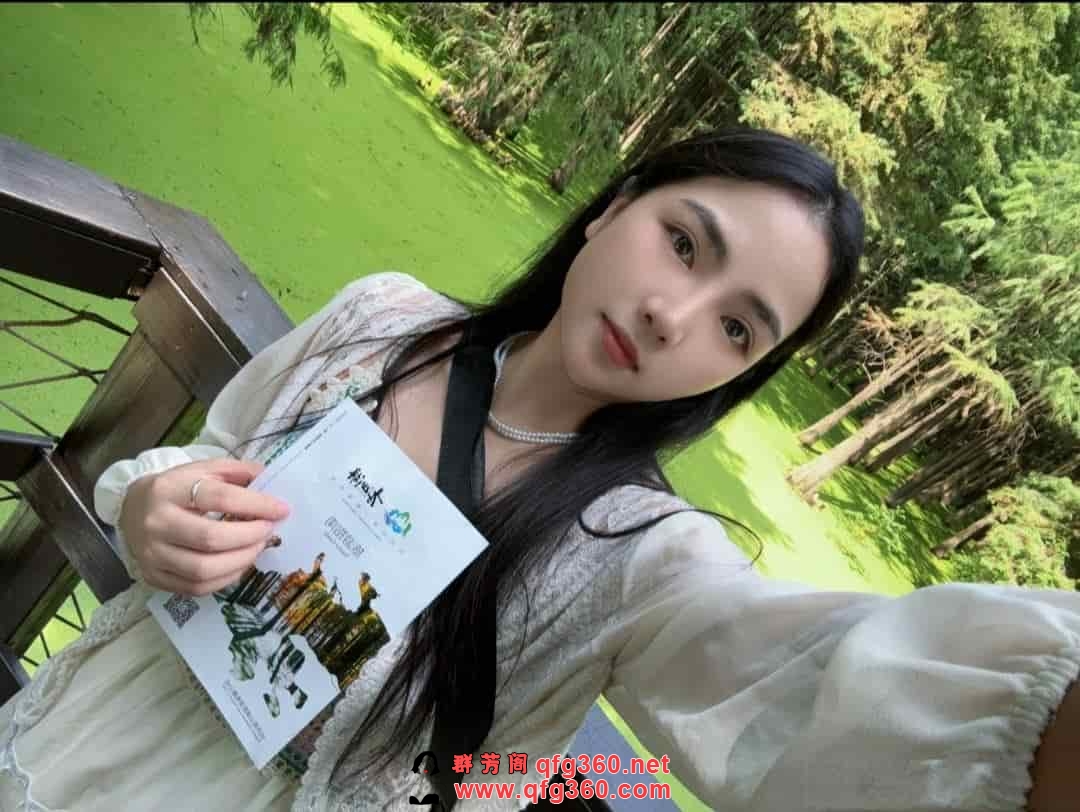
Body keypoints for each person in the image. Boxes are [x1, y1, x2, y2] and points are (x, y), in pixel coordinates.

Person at [1, 126, 1077, 811]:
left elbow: (802, 684)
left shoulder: (642, 559)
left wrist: (1041, 704)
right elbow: (219, 450)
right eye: (685, 243)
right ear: (614, 206)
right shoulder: (381, 323)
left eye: (736, 327)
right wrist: (155, 503)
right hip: (80, 729)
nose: (672, 315)